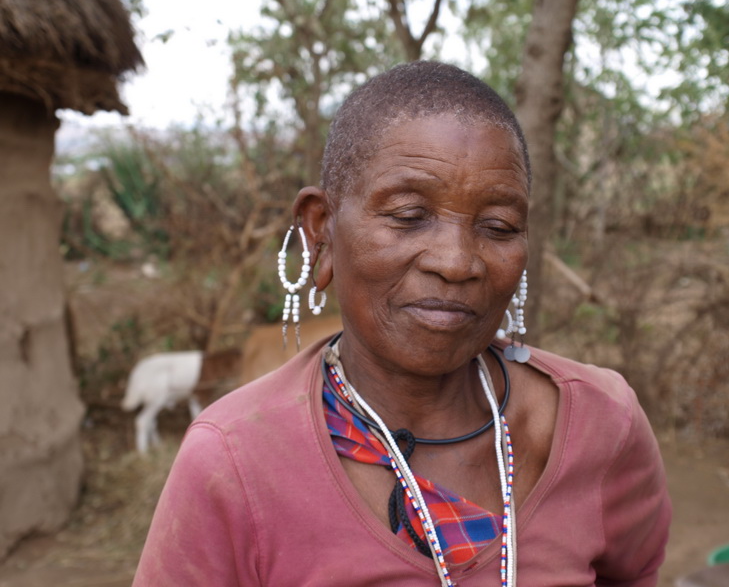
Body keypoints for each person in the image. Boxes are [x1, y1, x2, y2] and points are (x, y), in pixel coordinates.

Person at [133, 61, 671, 586]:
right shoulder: (234, 459)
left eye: (499, 226)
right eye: (409, 216)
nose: (457, 262)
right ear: (320, 232)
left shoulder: (602, 425)